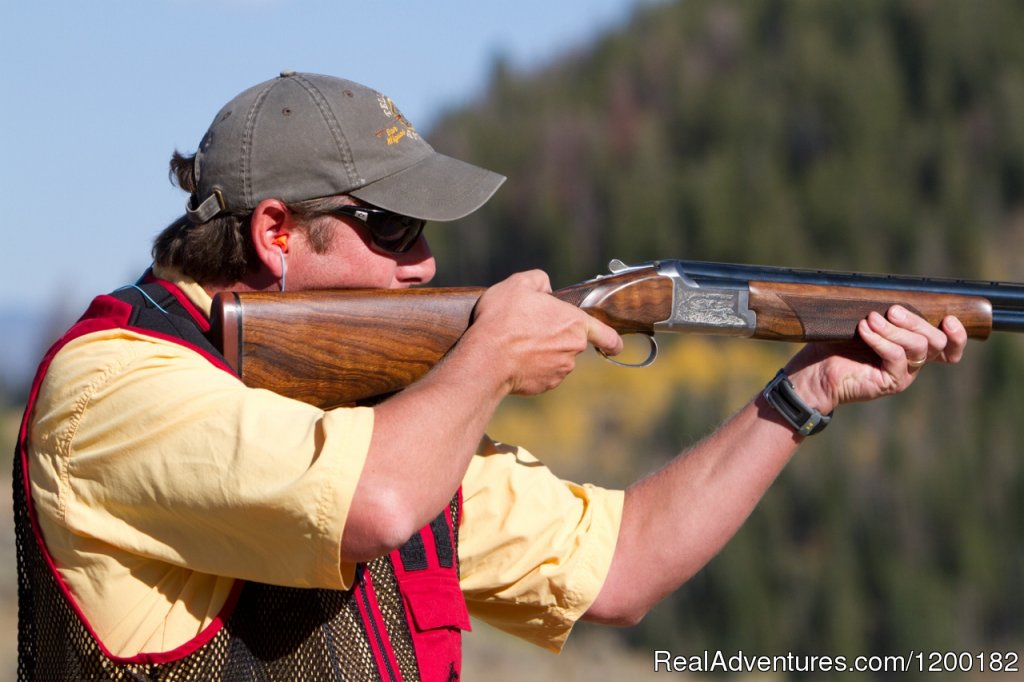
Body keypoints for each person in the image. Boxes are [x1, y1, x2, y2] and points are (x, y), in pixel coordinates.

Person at [14, 72, 967, 681]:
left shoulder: (376, 413)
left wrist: (805, 391)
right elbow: (376, 498)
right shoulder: (111, 390)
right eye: (390, 229)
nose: (423, 263)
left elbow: (624, 566)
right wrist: (490, 360)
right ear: (273, 233)